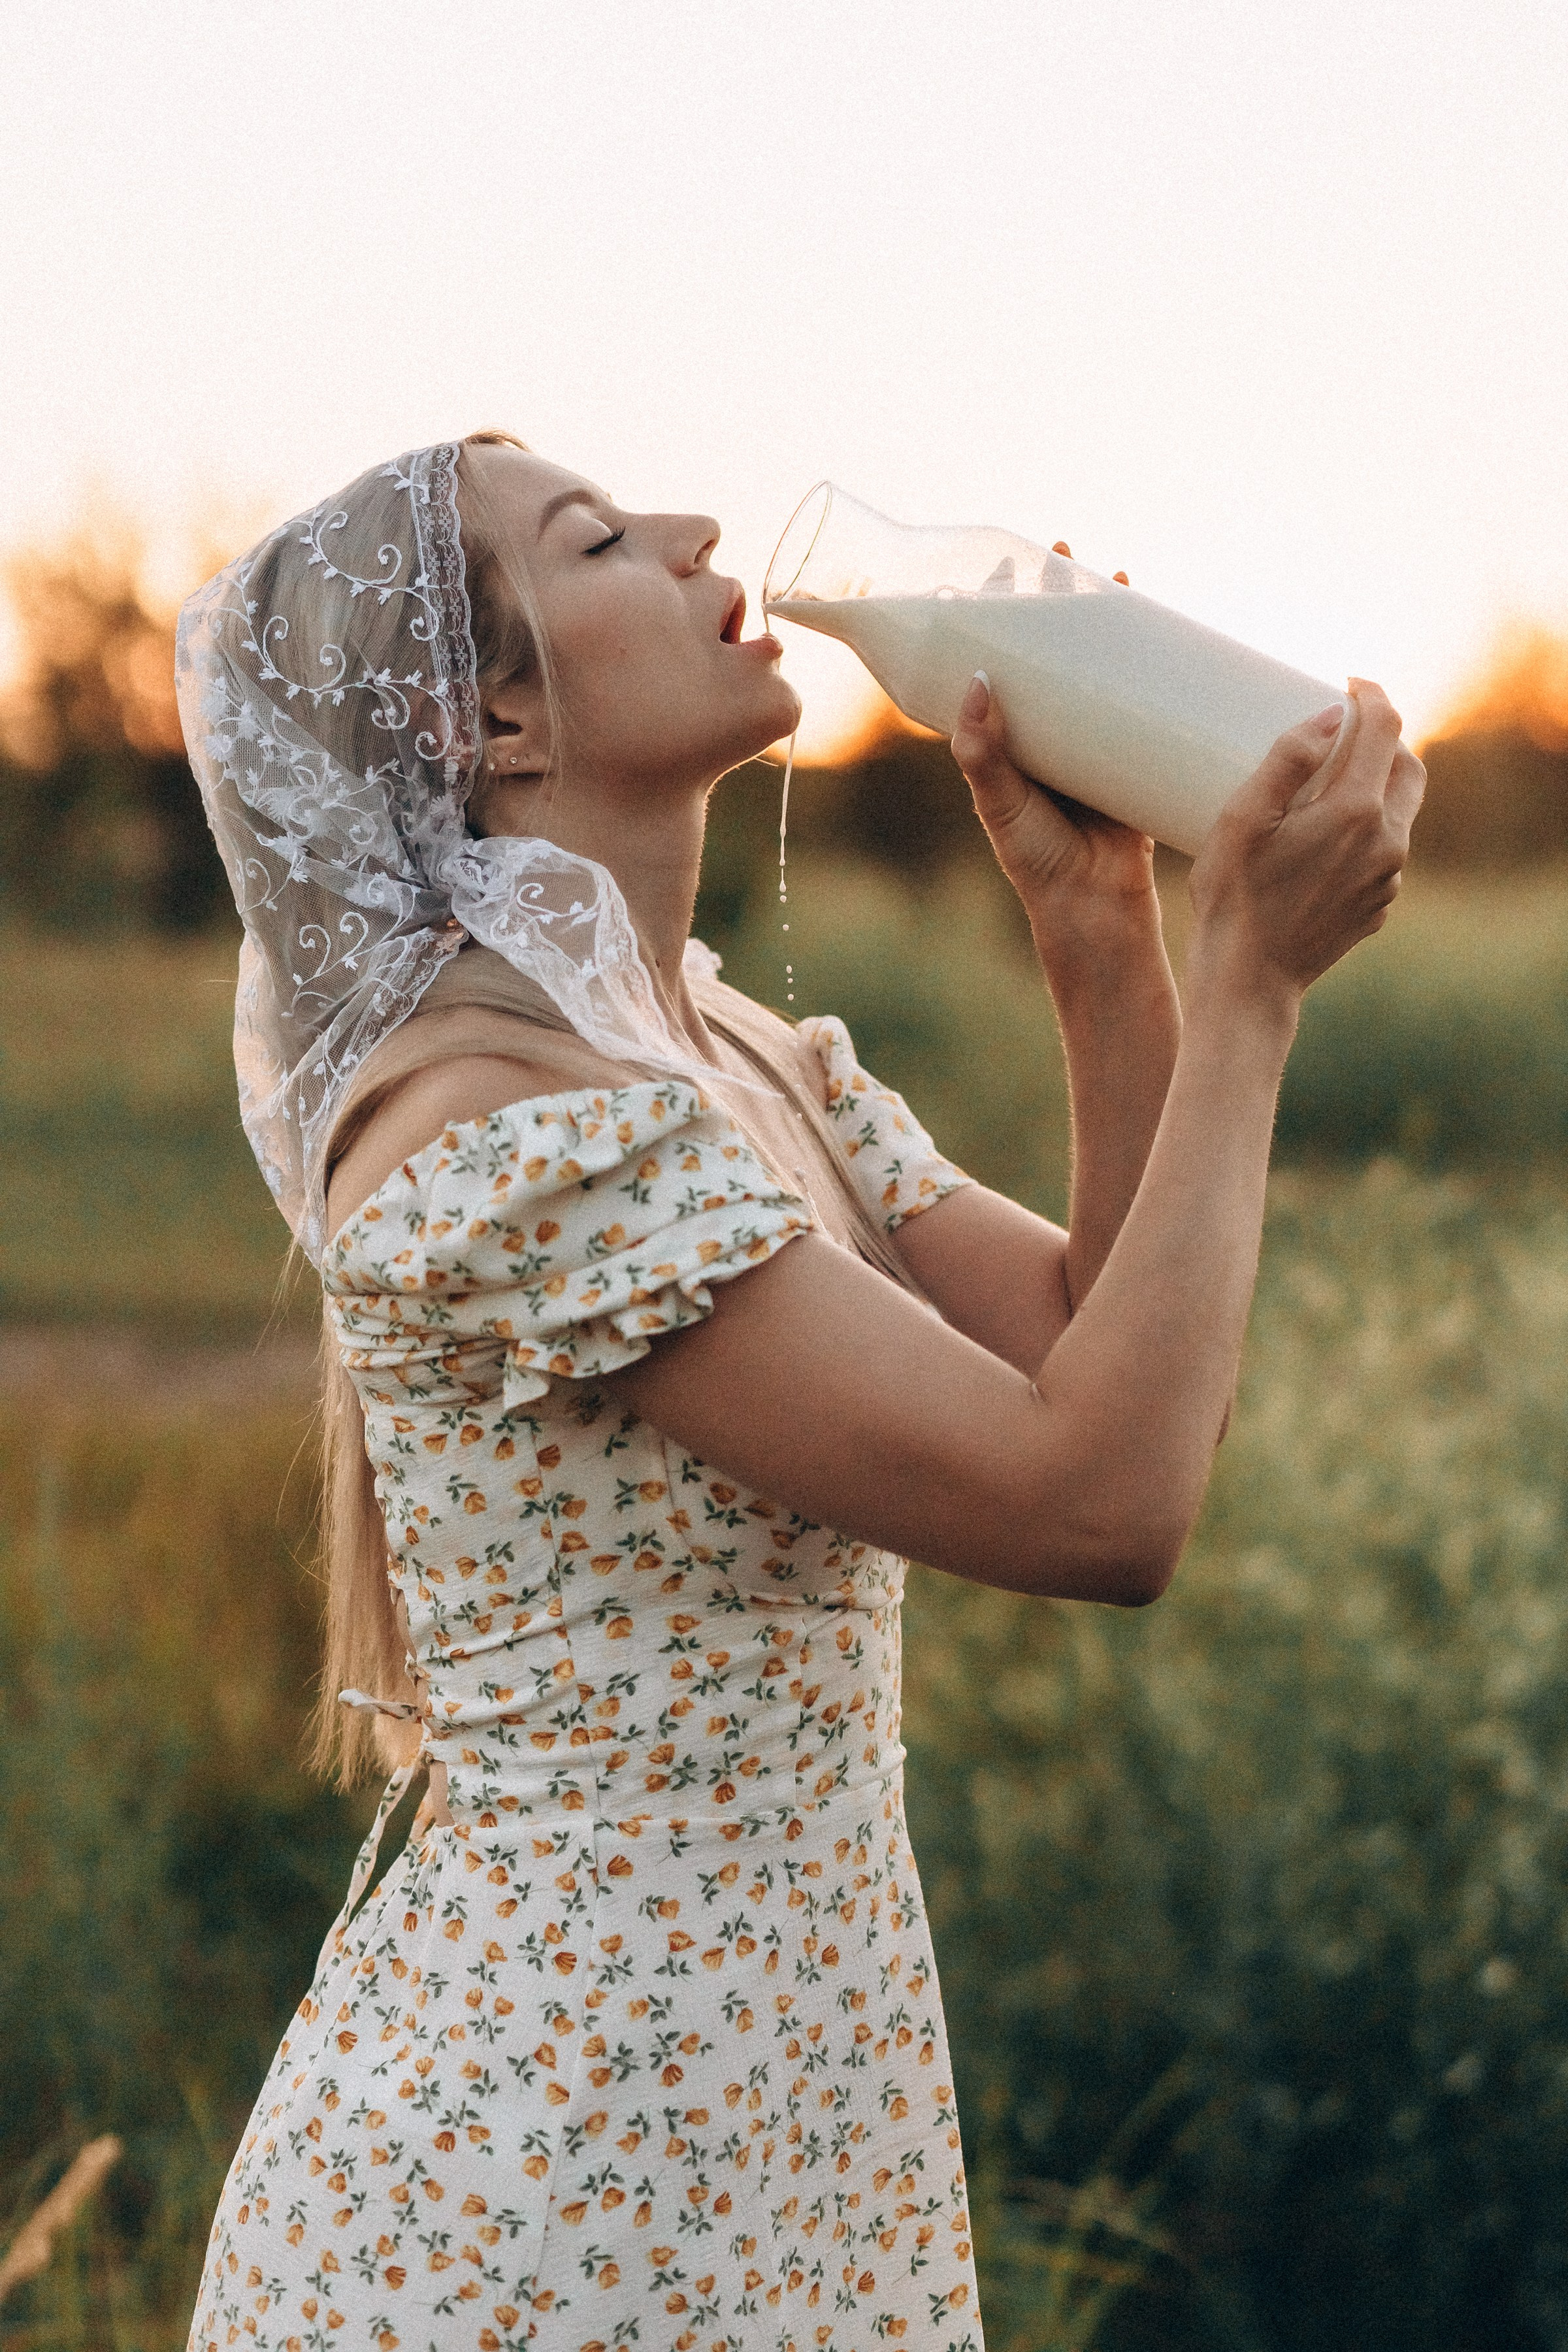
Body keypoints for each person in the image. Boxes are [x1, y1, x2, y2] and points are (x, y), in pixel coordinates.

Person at [176, 432, 1422, 2352]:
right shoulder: (505, 1127)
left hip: (780, 2126)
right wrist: (1258, 991)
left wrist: (1110, 945)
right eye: (597, 540)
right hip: (541, 2185)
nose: (689, 532)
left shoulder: (738, 1053)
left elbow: (1122, 1359)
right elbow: (1102, 1505)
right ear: (490, 718)